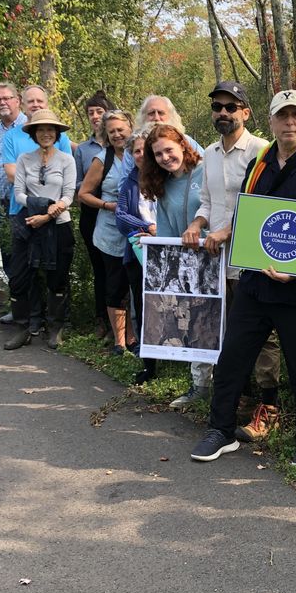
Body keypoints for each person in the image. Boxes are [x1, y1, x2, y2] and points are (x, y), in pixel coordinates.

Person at [189, 89, 296, 465]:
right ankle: (220, 429)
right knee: (232, 358)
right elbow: (248, 214)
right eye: (282, 116)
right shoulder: (260, 160)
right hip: (256, 281)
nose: (289, 122)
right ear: (272, 121)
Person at [181, 81, 281, 432]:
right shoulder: (208, 154)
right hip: (216, 258)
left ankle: (269, 406)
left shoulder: (263, 152)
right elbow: (207, 202)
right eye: (217, 107)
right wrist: (198, 223)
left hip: (253, 256)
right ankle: (235, 397)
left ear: (245, 112)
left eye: (230, 107)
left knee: (262, 333)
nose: (223, 113)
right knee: (224, 329)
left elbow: (264, 208)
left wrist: (228, 231)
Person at [137, 123, 209, 393]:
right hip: (187, 266)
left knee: (217, 320)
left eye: (169, 150)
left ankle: (229, 389)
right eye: (158, 154)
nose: (165, 157)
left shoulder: (206, 170)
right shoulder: (162, 185)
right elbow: (165, 232)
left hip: (214, 257)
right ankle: (199, 386)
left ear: (182, 144)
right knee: (195, 322)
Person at [1, 85, 74, 333]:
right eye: (40, 130)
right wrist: (39, 207)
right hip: (28, 222)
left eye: (50, 130)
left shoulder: (66, 160)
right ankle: (25, 327)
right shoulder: (25, 159)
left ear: (56, 133)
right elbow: (19, 192)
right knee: (21, 276)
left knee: (57, 277)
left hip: (59, 223)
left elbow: (69, 194)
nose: (46, 134)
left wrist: (49, 213)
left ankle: (55, 328)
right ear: (33, 133)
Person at [78, 109, 136, 354]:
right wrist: (107, 205)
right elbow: (83, 194)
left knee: (137, 284)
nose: (117, 134)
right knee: (115, 285)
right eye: (111, 131)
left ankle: (136, 338)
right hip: (110, 232)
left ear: (130, 128)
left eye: (120, 129)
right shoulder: (103, 159)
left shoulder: (142, 153)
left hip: (139, 232)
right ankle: (119, 341)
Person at [116, 124, 158, 382]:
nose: (141, 155)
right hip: (138, 255)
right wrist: (147, 227)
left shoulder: (166, 177)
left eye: (145, 150)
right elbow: (121, 217)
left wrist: (160, 231)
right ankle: (149, 365)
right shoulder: (129, 183)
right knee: (142, 309)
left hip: (167, 254)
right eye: (136, 151)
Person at [75, 90, 114, 340]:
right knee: (99, 269)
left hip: (117, 213)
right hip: (91, 212)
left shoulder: (122, 143)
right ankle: (102, 320)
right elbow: (79, 182)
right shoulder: (82, 149)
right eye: (91, 113)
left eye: (100, 111)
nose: (95, 117)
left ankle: (124, 325)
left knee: (118, 269)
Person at [0, 82, 23, 295]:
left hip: (25, 202)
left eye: (7, 98)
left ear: (17, 101)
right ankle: (16, 301)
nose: (2, 102)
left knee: (26, 253)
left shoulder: (30, 127)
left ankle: (34, 308)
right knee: (7, 252)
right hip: (2, 202)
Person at [136, 95, 204, 157]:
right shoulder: (135, 147)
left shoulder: (186, 141)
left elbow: (204, 163)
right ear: (143, 117)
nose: (156, 118)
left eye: (161, 113)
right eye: (151, 113)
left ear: (171, 116)